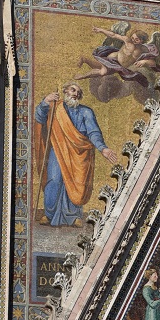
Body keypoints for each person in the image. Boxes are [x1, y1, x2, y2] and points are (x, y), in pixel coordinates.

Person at [34, 83, 117, 227]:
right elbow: (39, 118)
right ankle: (49, 214)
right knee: (54, 180)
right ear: (65, 91)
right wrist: (45, 101)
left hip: (79, 153)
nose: (75, 94)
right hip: (58, 150)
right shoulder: (55, 108)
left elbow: (93, 132)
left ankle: (73, 216)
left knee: (76, 183)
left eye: (78, 92)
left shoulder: (86, 112)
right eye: (73, 90)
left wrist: (102, 148)